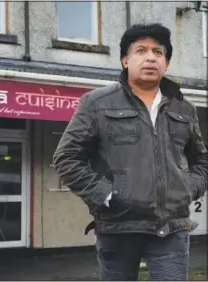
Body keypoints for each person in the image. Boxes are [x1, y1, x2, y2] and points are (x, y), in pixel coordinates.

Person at [53, 23, 207, 281]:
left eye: (158, 53)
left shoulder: (184, 109)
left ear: (166, 63)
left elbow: (201, 160)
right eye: (141, 51)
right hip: (117, 227)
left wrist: (188, 188)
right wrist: (106, 194)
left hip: (171, 229)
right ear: (125, 60)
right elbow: (66, 158)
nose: (150, 57)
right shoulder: (97, 103)